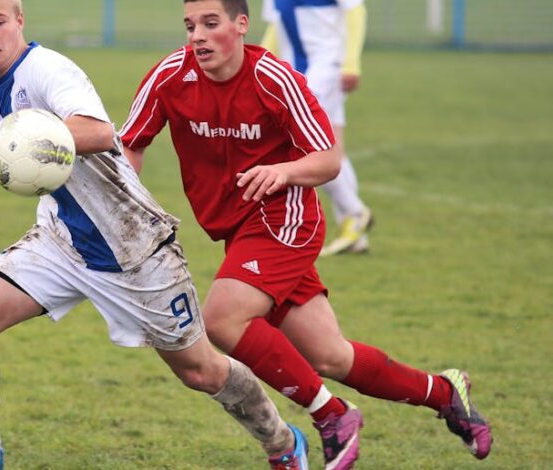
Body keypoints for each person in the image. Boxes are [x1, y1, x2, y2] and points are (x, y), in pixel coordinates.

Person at [0, 1, 312, 469]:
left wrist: (14, 138)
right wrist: (9, 133)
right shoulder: (0, 89)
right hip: (63, 242)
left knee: (201, 370)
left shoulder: (46, 69)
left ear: (20, 21)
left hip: (134, 251)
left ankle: (284, 444)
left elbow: (101, 133)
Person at [119, 0, 492, 466]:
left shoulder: (274, 79)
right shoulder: (170, 76)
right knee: (331, 358)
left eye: (210, 24)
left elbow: (329, 160)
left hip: (284, 221)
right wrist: (127, 205)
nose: (197, 36)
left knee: (222, 320)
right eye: (190, 25)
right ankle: (443, 393)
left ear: (241, 25)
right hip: (236, 230)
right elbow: (129, 143)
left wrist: (285, 171)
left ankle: (331, 414)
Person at [261, 0, 372, 256]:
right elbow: (276, 27)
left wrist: (351, 63)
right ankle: (354, 232)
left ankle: (354, 212)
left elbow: (356, 11)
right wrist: (260, 64)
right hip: (297, 73)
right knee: (333, 148)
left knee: (305, 145)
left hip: (326, 69)